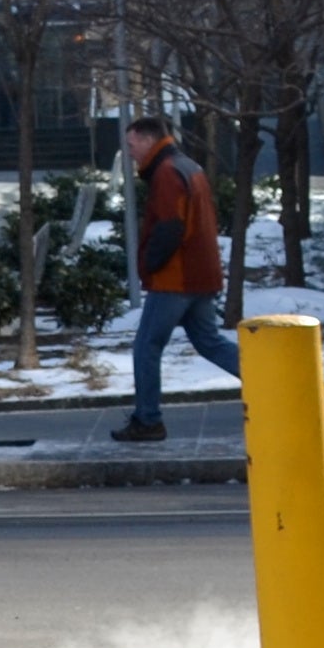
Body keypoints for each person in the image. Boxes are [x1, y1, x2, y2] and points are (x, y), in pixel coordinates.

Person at [106, 113, 240, 445]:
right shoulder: (188, 167)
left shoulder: (166, 173)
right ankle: (271, 384)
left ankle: (148, 420)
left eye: (132, 142)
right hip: (200, 274)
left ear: (149, 139)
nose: (130, 150)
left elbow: (169, 226)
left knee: (146, 346)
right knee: (209, 342)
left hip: (176, 279)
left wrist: (150, 264)